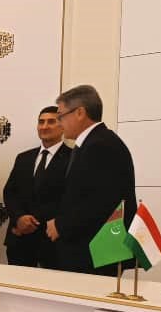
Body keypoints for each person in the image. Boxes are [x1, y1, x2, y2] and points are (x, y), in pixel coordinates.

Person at [46, 85, 136, 276]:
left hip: (94, 252)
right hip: (86, 249)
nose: (59, 123)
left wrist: (61, 225)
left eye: (61, 116)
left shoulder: (101, 145)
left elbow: (100, 202)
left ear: (80, 113)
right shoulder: (92, 142)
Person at [3, 106, 72, 269]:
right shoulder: (24, 158)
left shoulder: (74, 157)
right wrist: (19, 218)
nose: (44, 126)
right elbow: (10, 192)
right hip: (19, 239)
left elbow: (70, 198)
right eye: (41, 122)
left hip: (53, 242)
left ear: (63, 126)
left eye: (51, 122)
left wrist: (33, 222)